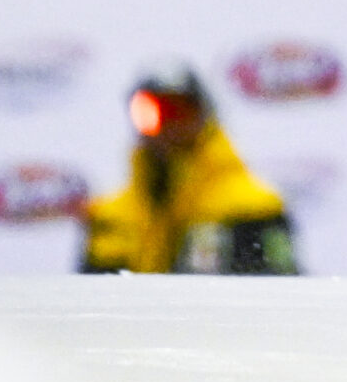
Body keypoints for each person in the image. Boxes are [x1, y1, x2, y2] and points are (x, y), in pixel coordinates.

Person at [80, 64, 297, 275]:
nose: (167, 126)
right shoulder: (110, 215)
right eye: (149, 115)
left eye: (180, 113)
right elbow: (89, 302)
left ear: (206, 119)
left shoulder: (255, 208)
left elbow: (277, 293)